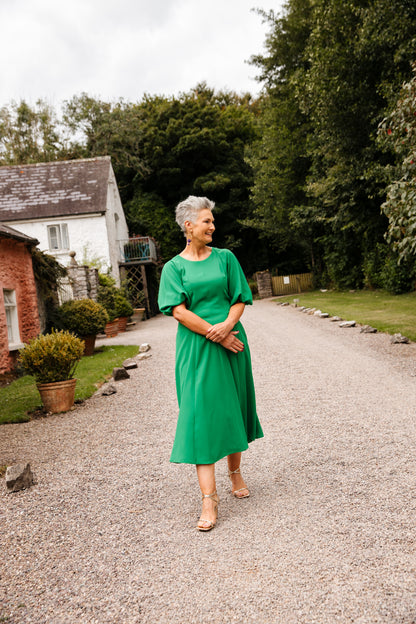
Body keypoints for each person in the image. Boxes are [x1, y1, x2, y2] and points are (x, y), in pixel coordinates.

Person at [158, 195, 263, 531]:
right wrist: (215, 333)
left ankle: (235, 472)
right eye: (207, 221)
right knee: (199, 416)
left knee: (233, 408)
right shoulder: (173, 268)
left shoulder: (226, 258)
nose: (212, 226)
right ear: (189, 225)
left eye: (212, 221)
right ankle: (209, 499)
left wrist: (228, 327)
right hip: (197, 348)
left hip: (233, 342)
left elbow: (238, 298)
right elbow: (178, 310)